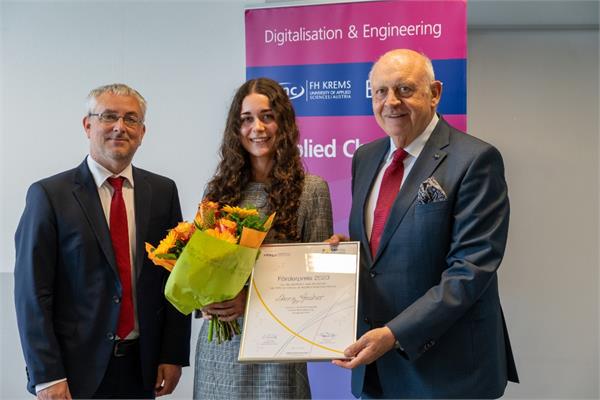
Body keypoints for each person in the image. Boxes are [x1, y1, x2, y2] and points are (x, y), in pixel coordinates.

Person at [328, 49, 519, 398]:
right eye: (380, 91)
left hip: (448, 370)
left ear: (435, 93)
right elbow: (382, 249)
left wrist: (394, 333)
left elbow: (470, 270)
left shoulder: (475, 159)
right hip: (378, 369)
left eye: (404, 89)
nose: (391, 102)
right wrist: (347, 251)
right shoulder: (366, 157)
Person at [14, 83, 191, 399]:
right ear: (87, 125)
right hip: (73, 374)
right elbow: (32, 293)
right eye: (109, 116)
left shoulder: (163, 192)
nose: (120, 127)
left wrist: (173, 353)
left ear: (142, 131)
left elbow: (175, 278)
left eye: (131, 119)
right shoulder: (49, 196)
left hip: (142, 368)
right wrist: (47, 375)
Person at [193, 77, 333, 399]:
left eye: (267, 116)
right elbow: (197, 270)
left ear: (282, 123)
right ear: (235, 128)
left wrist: (249, 303)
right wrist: (203, 300)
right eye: (246, 119)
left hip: (276, 353)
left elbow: (316, 289)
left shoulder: (311, 190)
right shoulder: (216, 192)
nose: (257, 127)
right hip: (218, 350)